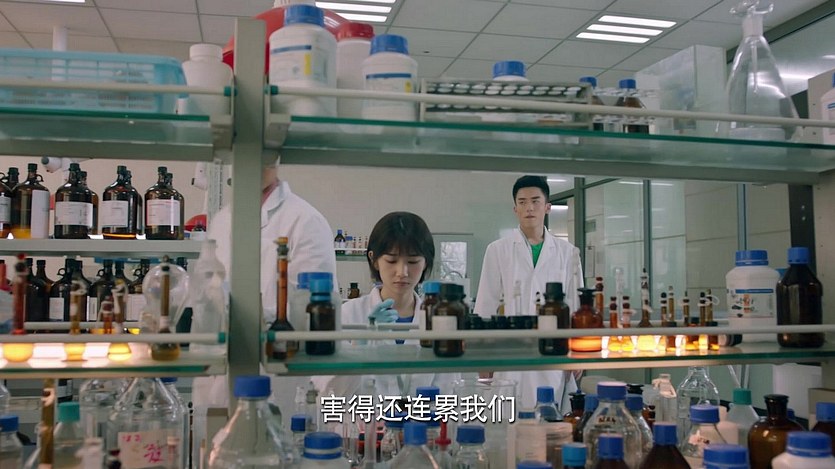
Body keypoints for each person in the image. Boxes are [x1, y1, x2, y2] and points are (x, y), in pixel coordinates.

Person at [193, 156, 338, 424]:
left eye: (264, 155)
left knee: (275, 442)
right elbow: (205, 299)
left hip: (276, 381)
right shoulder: (222, 220)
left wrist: (252, 320)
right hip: (219, 380)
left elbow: (312, 316)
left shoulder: (305, 221)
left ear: (276, 160)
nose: (253, 162)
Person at [474, 175, 584, 411]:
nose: (529, 208)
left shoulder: (568, 252)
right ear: (515, 209)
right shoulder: (497, 250)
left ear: (547, 207)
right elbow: (486, 304)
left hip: (554, 351)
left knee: (551, 418)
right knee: (508, 418)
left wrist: (578, 351)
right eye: (522, 202)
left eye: (535, 201)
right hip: (508, 352)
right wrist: (483, 356)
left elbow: (576, 306)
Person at [334, 211, 459, 399]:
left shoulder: (439, 320)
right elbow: (332, 392)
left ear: (426, 263)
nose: (402, 272)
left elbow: (449, 388)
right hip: (363, 417)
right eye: (391, 260)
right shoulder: (348, 314)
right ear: (374, 260)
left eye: (413, 261)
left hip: (423, 417)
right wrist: (358, 347)